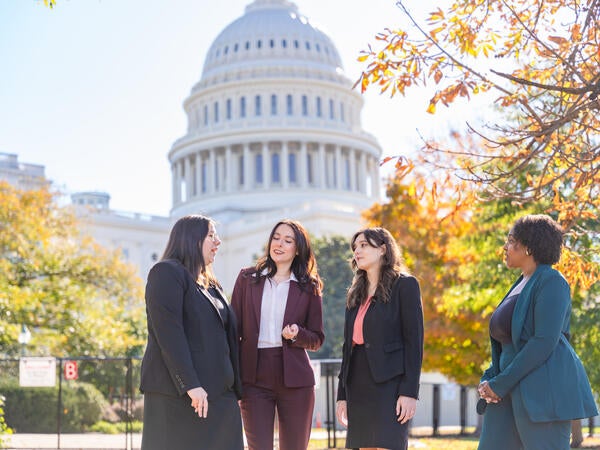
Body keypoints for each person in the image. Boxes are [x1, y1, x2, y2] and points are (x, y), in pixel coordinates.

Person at [477, 214, 598, 450]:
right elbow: (507, 343)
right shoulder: (520, 283)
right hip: (506, 391)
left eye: (511, 241)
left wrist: (500, 383)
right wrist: (489, 378)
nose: (506, 246)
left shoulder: (552, 281)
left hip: (541, 394)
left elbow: (543, 342)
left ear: (529, 247)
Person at [139, 215, 243, 450]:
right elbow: (168, 333)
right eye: (211, 235)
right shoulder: (166, 272)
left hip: (220, 397)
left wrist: (236, 390)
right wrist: (190, 385)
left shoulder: (213, 285)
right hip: (178, 395)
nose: (218, 242)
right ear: (191, 239)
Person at [231, 219, 324, 450]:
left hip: (295, 378)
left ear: (298, 248)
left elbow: (317, 338)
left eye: (287, 240)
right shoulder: (246, 278)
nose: (279, 244)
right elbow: (232, 330)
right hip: (254, 377)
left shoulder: (309, 286)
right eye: (276, 237)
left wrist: (297, 334)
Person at [336, 227, 424, 450]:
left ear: (383, 249)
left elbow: (414, 343)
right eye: (355, 247)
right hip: (358, 383)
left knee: (387, 445)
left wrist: (409, 392)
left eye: (364, 245)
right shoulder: (355, 293)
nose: (357, 250)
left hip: (390, 384)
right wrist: (342, 395)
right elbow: (348, 348)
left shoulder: (405, 285)